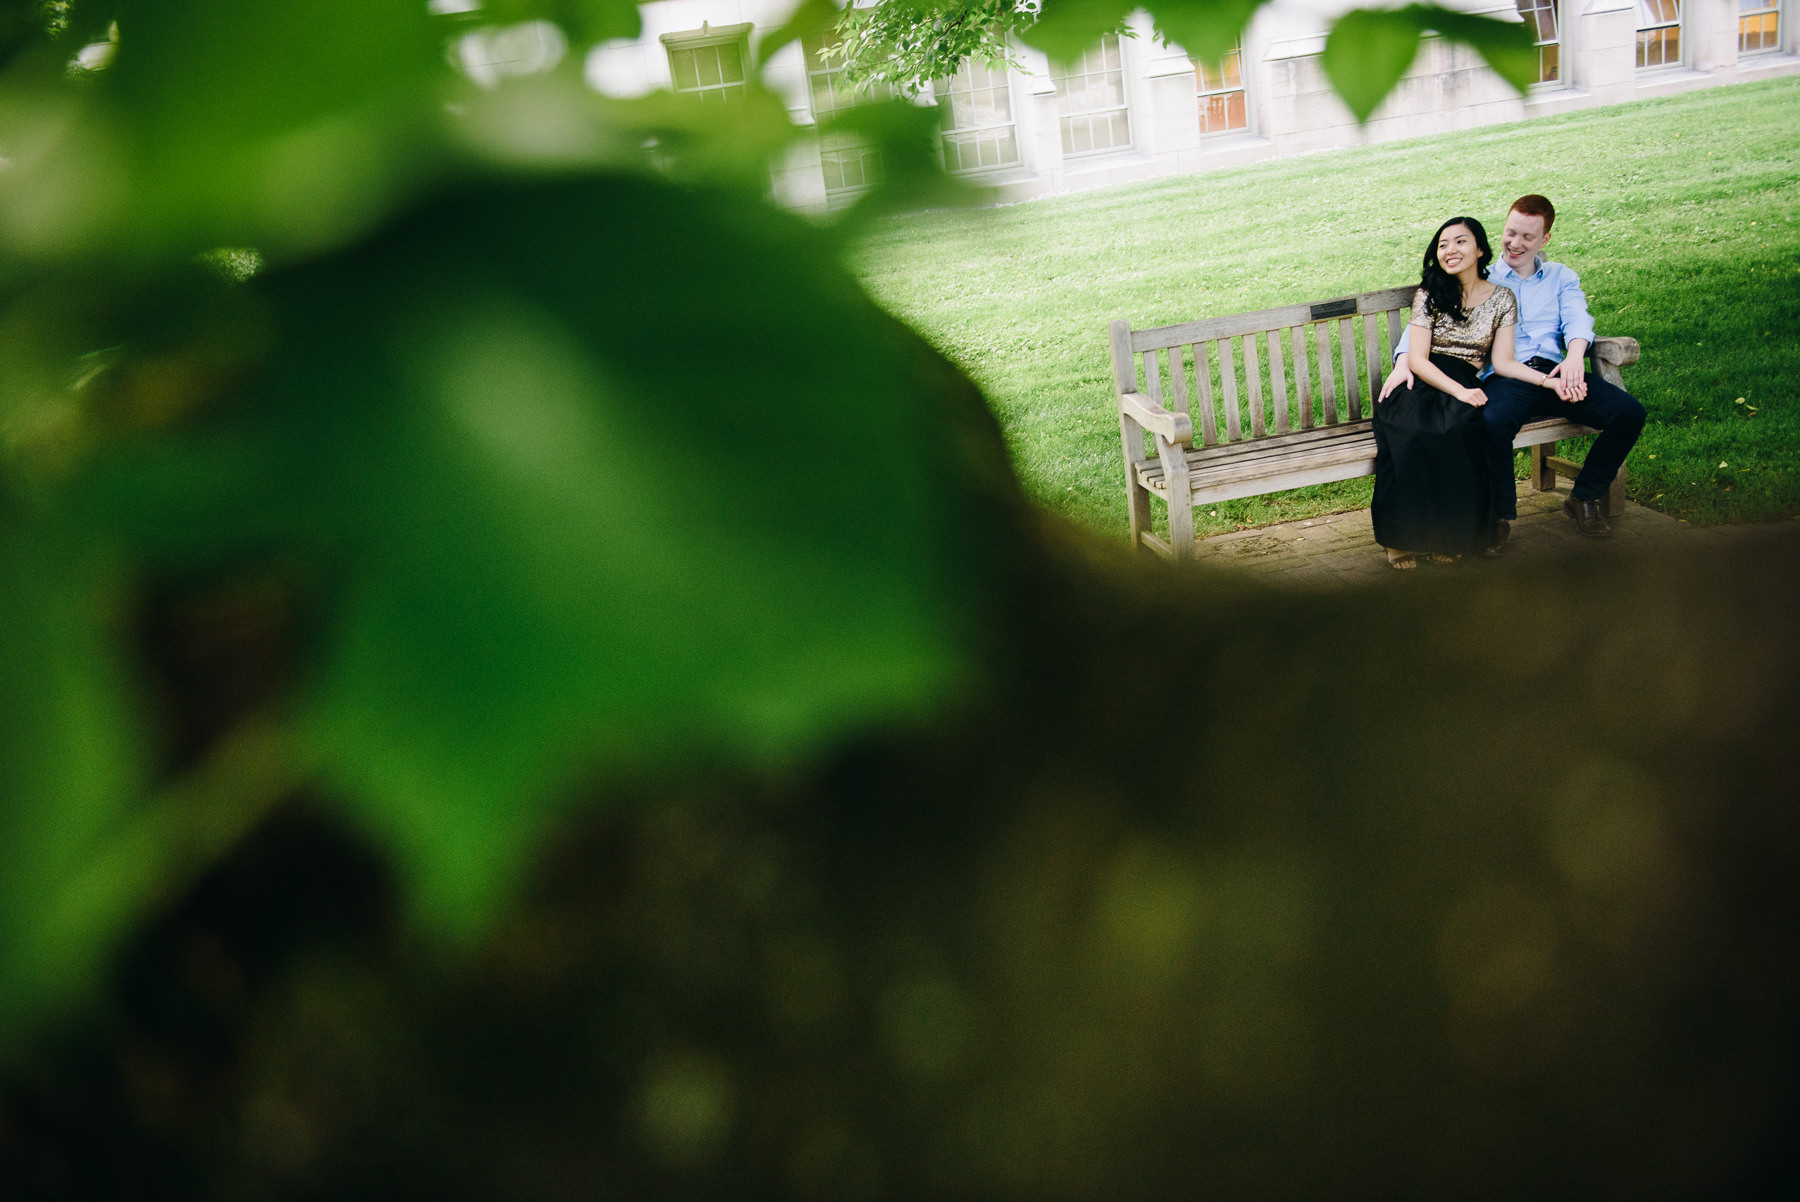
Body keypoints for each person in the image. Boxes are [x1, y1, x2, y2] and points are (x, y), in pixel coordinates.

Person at [1381, 195, 1646, 550]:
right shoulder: (1482, 275)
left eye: (1527, 237)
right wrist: (1403, 360)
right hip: (1507, 378)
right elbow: (1429, 319)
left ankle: (1584, 496)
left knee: (1628, 413)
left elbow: (1578, 319)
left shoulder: (1559, 277)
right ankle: (1501, 516)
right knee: (1492, 421)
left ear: (1545, 239)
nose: (1516, 244)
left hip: (1555, 371)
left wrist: (1574, 359)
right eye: (1511, 233)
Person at [1373, 216, 1558, 570]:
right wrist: (1460, 391)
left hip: (1463, 378)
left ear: (1480, 250)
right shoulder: (1429, 295)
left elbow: (1503, 363)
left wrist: (1546, 381)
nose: (1449, 250)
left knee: (1459, 432)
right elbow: (1418, 358)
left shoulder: (1503, 298)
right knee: (1413, 433)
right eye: (1443, 245)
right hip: (1420, 380)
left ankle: (1450, 536)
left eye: (1460, 242)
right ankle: (1399, 539)